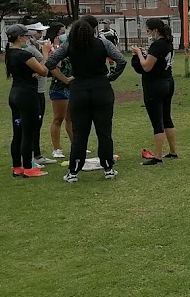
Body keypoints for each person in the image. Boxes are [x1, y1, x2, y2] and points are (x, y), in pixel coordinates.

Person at [45, 18, 126, 182]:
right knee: (104, 131)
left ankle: (73, 171)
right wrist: (111, 76)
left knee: (79, 133)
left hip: (79, 89)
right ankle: (108, 168)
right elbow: (121, 60)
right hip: (101, 89)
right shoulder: (103, 44)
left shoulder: (69, 45)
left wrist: (66, 79)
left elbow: (50, 62)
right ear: (93, 30)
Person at [5, 24, 51, 178]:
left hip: (15, 94)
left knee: (18, 132)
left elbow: (28, 72)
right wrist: (45, 55)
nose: (28, 38)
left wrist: (35, 73)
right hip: (27, 96)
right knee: (29, 132)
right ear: (20, 38)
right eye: (26, 36)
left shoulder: (10, 53)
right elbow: (44, 71)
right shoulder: (24, 55)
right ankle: (28, 168)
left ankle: (17, 167)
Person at [132, 18, 178, 165]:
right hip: (168, 81)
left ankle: (157, 157)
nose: (147, 33)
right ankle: (172, 151)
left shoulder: (157, 45)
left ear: (155, 30)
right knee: (166, 118)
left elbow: (146, 66)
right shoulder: (168, 43)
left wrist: (139, 52)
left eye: (148, 30)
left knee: (157, 122)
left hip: (155, 85)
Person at [24, 22, 52, 166]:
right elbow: (43, 69)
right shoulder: (29, 49)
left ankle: (36, 154)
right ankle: (34, 156)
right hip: (35, 91)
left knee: (36, 124)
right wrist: (46, 53)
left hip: (39, 90)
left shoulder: (33, 47)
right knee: (34, 124)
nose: (41, 35)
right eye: (39, 32)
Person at [45, 22, 74, 159]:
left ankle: (76, 145)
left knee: (71, 118)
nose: (64, 35)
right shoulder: (54, 50)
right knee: (59, 118)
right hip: (59, 87)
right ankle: (57, 148)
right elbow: (54, 66)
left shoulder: (69, 48)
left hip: (71, 87)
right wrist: (65, 79)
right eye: (61, 32)